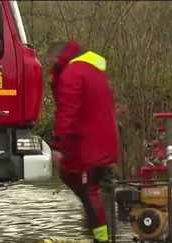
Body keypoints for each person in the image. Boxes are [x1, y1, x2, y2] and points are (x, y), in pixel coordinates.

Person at [47, 40, 119, 243]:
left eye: (51, 62)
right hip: (99, 143)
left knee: (88, 191)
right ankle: (98, 233)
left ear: (59, 57)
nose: (50, 67)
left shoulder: (72, 73)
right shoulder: (91, 71)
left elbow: (67, 112)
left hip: (89, 147)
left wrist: (58, 145)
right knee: (76, 180)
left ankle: (101, 239)